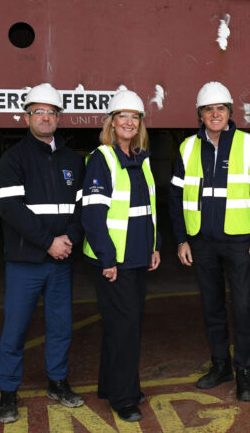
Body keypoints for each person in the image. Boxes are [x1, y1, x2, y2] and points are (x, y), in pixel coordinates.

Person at [169, 81, 250, 402]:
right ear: (200, 115)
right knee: (212, 306)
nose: (215, 115)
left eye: (221, 109)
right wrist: (181, 239)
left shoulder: (249, 145)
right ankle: (220, 366)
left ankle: (243, 371)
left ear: (230, 112)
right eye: (208, 110)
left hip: (239, 242)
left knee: (242, 306)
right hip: (201, 242)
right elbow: (175, 197)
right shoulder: (187, 148)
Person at [0, 83, 85, 423]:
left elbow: (82, 208)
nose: (45, 118)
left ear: (59, 117)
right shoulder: (13, 158)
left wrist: (69, 240)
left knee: (61, 326)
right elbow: (10, 209)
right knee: (15, 329)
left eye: (51, 112)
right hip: (26, 262)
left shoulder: (74, 160)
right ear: (27, 116)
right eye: (38, 112)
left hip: (60, 260)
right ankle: (7, 393)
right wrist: (49, 242)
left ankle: (57, 382)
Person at [82, 89, 161, 422]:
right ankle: (123, 397)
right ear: (111, 123)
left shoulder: (140, 158)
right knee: (125, 327)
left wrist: (154, 246)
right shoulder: (103, 157)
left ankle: (110, 385)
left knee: (121, 325)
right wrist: (107, 258)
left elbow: (147, 209)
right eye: (122, 116)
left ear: (140, 124)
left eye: (135, 117)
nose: (128, 122)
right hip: (114, 258)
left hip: (138, 256)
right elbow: (93, 214)